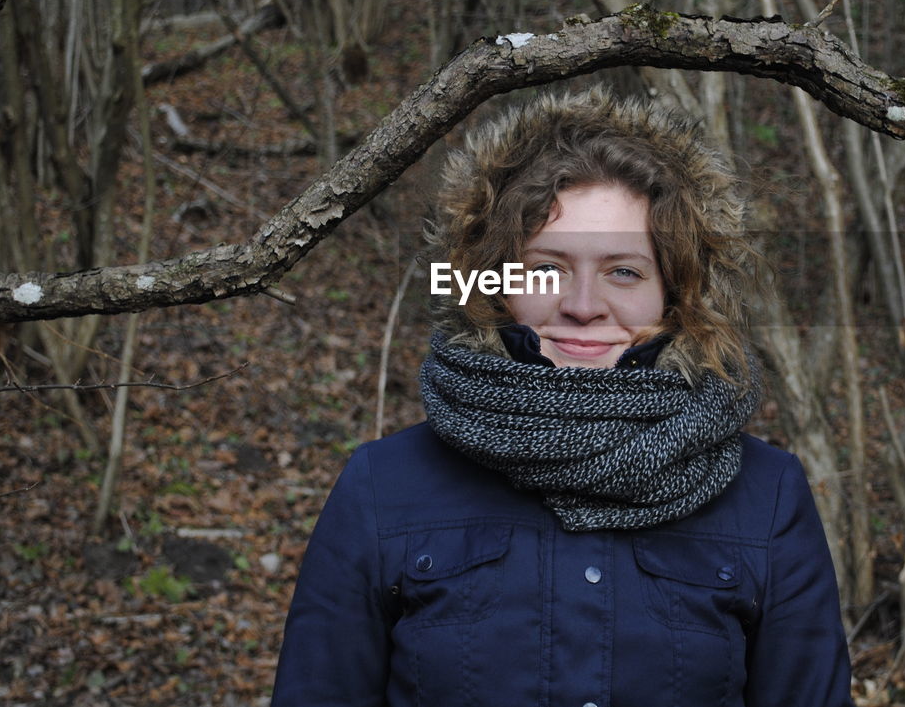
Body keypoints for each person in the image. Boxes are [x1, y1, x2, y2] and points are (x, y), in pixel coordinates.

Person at [270, 88, 853, 707]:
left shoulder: (766, 496)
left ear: (678, 292)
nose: (580, 304)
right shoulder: (382, 489)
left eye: (623, 271)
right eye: (546, 269)